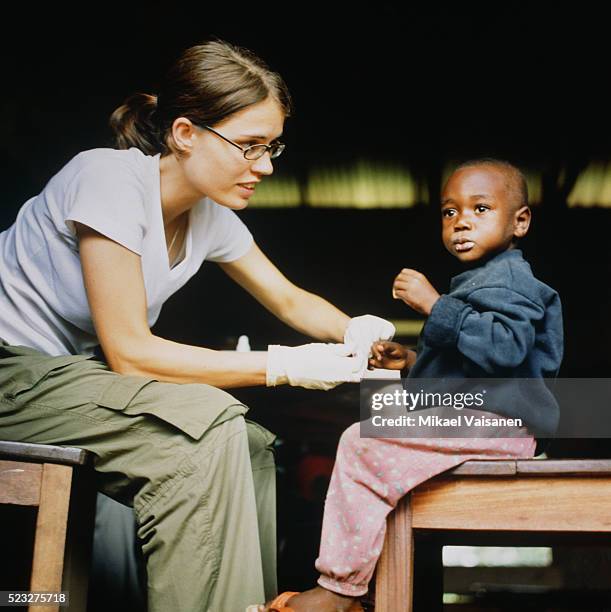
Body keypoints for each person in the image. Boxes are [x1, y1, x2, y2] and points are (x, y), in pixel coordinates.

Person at [0, 40, 395, 612]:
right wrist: (282, 366)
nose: (265, 166)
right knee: (205, 427)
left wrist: (354, 331)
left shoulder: (209, 216)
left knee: (250, 442)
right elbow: (130, 353)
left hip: (65, 380)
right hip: (12, 372)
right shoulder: (107, 180)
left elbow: (287, 298)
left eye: (272, 147)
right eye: (250, 146)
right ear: (185, 133)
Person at [261, 159, 563, 611]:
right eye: (449, 211)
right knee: (374, 427)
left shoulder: (510, 279)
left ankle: (338, 590)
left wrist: (434, 305)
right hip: (478, 417)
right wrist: (412, 360)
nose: (462, 220)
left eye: (480, 209)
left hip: (498, 424)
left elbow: (505, 350)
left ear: (520, 222)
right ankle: (370, 591)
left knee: (362, 441)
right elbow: (475, 365)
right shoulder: (480, 281)